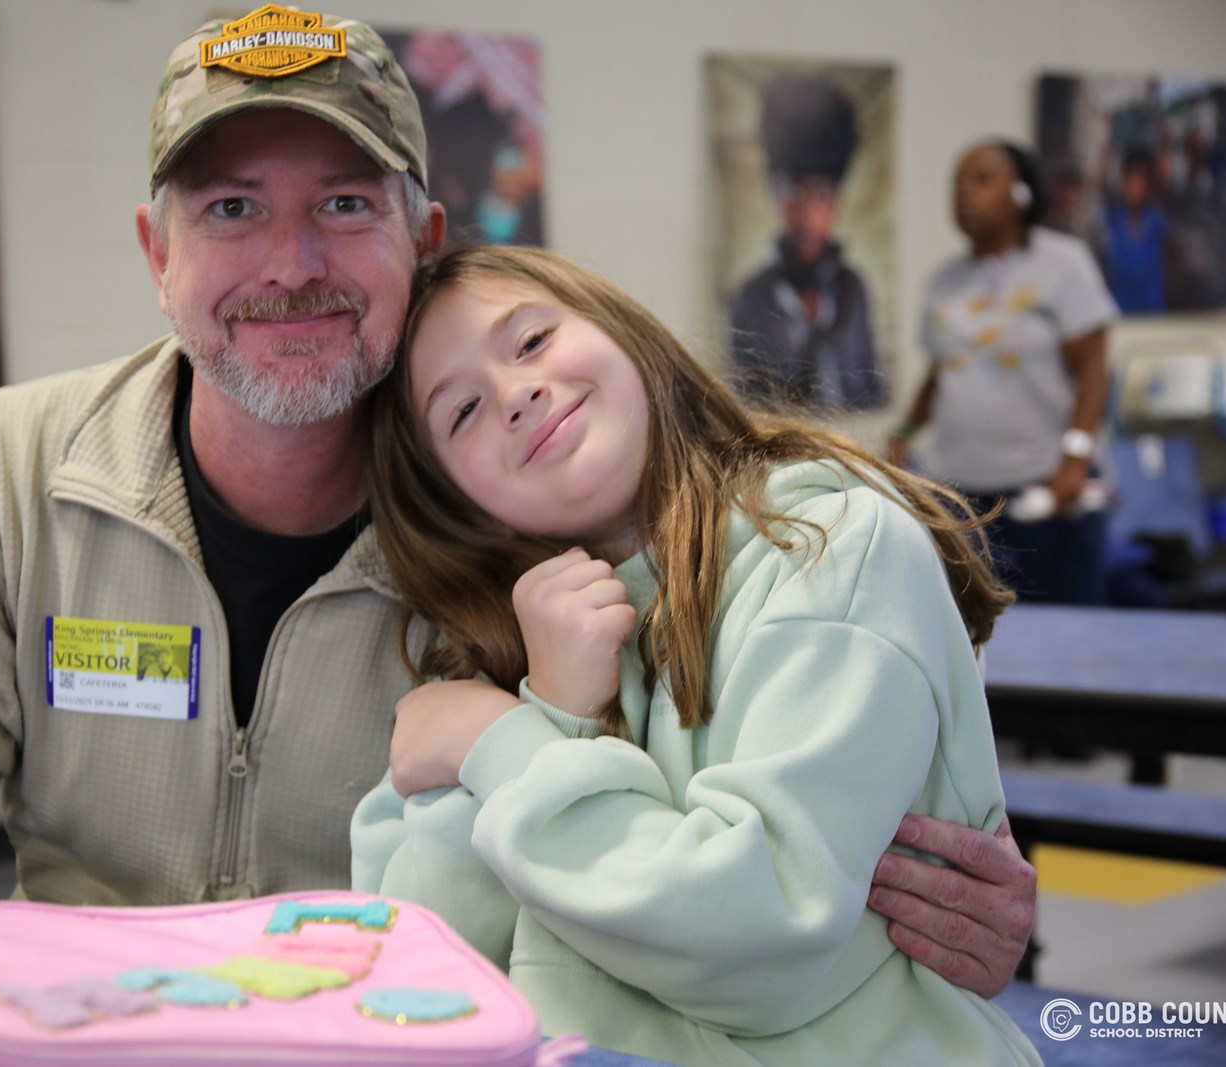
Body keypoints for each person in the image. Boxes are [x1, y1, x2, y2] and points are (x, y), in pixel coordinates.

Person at [0, 11, 1036, 1065]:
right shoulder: (12, 468)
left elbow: (698, 846)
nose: (289, 260)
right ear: (154, 251)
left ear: (426, 236)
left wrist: (915, 896)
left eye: (346, 203)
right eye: (230, 208)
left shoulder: (519, 532)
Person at [352, 243, 1039, 1065]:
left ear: (619, 329)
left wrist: (504, 746)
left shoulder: (830, 546)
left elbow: (760, 936)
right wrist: (550, 709)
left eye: (531, 341)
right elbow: (411, 976)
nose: (516, 393)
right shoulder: (498, 646)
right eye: (460, 411)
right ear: (456, 501)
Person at [890, 141, 1116, 604]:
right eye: (957, 183)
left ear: (1020, 194)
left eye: (981, 180)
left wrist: (1075, 459)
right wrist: (903, 435)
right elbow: (943, 372)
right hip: (959, 496)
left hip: (1044, 490)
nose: (964, 194)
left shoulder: (1062, 264)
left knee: (1063, 642)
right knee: (973, 639)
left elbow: (1094, 368)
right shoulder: (943, 281)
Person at [728, 73, 884, 410]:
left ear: (839, 197)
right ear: (775, 193)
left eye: (824, 193)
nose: (810, 215)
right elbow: (743, 402)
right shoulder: (751, 298)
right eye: (795, 192)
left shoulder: (852, 289)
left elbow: (871, 391)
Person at [1099, 147, 1169, 314]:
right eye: (1129, 183)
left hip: (1152, 308)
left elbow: (1165, 184)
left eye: (1138, 184)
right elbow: (1099, 182)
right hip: (1118, 307)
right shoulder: (1111, 218)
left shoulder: (1155, 219)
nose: (1133, 189)